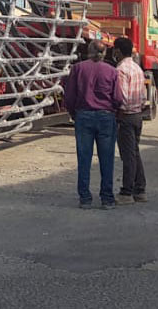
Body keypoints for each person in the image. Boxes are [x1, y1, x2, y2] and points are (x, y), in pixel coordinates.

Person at [62, 39, 123, 208]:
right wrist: (114, 112)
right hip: (106, 116)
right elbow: (118, 98)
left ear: (88, 51)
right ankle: (107, 198)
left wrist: (74, 113)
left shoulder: (78, 69)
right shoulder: (112, 71)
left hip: (84, 116)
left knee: (84, 158)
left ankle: (85, 198)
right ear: (104, 54)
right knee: (107, 158)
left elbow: (69, 96)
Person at [112, 37, 147, 202]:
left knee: (128, 156)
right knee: (134, 153)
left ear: (118, 51)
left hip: (125, 116)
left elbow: (122, 97)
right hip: (138, 115)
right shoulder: (137, 68)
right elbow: (143, 95)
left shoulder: (120, 70)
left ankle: (127, 192)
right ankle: (140, 189)